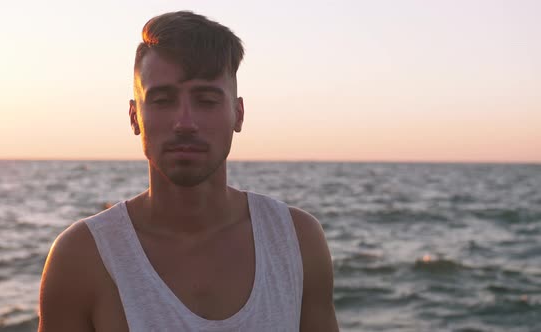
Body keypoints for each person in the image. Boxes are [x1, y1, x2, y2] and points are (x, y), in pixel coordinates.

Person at [38, 11, 338, 331]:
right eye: (162, 100)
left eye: (206, 100)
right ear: (134, 116)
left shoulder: (296, 241)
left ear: (237, 114)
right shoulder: (83, 257)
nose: (185, 123)